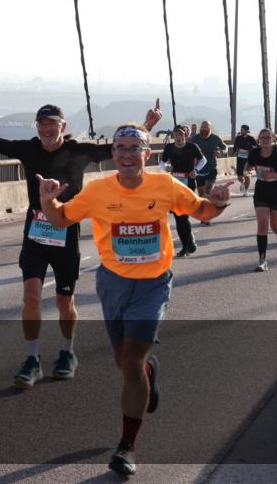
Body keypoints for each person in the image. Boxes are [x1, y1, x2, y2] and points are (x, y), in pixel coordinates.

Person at [36, 123, 232, 477]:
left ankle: (127, 445)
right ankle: (149, 372)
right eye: (121, 148)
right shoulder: (98, 191)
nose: (127, 154)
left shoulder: (165, 185)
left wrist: (218, 203)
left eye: (134, 147)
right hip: (112, 283)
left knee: (130, 361)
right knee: (124, 361)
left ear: (147, 153)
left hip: (153, 284)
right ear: (113, 154)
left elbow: (202, 210)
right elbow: (61, 218)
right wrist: (47, 201)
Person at [0, 89, 162, 387]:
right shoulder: (28, 149)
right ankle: (32, 359)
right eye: (41, 123)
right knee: (30, 296)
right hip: (35, 231)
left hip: (67, 230)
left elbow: (121, 148)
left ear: (63, 126)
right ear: (37, 127)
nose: (46, 128)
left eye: (52, 123)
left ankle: (67, 353)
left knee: (63, 301)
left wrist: (147, 126)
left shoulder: (80, 151)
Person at [244, 129, 277, 271]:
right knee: (262, 225)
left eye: (268, 137)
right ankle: (262, 260)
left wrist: (274, 174)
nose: (265, 139)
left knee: (275, 226)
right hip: (261, 192)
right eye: (263, 137)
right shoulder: (254, 153)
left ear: (272, 139)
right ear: (258, 139)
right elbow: (248, 166)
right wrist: (247, 171)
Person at [160, 125, 204, 257]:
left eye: (180, 135)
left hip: (188, 183)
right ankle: (187, 244)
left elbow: (203, 160)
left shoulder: (192, 147)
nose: (178, 138)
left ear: (185, 136)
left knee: (183, 215)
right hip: (174, 184)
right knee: (178, 217)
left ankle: (188, 243)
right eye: (176, 135)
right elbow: (162, 163)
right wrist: (166, 167)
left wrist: (195, 171)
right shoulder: (169, 148)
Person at [190, 121, 228, 219]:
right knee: (202, 195)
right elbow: (188, 148)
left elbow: (225, 147)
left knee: (208, 192)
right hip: (199, 170)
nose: (204, 129)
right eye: (202, 128)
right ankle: (205, 214)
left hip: (211, 169)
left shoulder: (215, 138)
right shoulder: (195, 138)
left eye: (206, 128)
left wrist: (221, 151)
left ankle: (207, 216)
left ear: (209, 128)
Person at [232, 125, 258, 197]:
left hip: (248, 159)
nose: (241, 131)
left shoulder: (251, 138)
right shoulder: (238, 138)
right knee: (239, 176)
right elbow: (235, 146)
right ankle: (242, 183)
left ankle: (246, 191)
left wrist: (249, 149)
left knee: (247, 175)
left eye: (243, 130)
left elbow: (256, 147)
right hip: (240, 158)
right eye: (241, 129)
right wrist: (234, 152)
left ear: (247, 131)